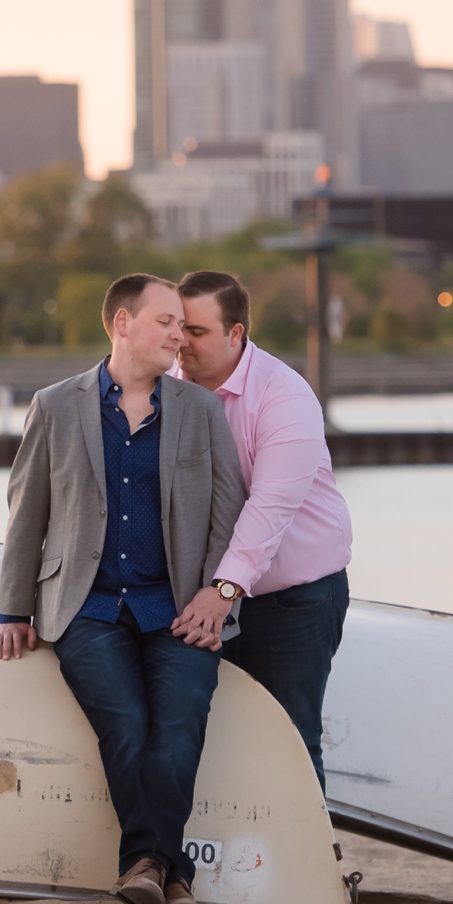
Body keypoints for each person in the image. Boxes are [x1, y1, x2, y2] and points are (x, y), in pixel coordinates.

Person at [0, 274, 247, 904]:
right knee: (125, 723)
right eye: (165, 322)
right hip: (87, 605)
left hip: (179, 606)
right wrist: (13, 610)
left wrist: (218, 597)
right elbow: (28, 512)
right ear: (122, 323)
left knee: (180, 724)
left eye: (183, 325)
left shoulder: (199, 410)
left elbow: (226, 511)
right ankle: (170, 870)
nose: (178, 336)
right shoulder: (55, 406)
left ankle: (147, 866)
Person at [168, 269, 354, 795]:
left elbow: (269, 508)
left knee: (290, 739)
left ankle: (310, 872)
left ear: (236, 334)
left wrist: (223, 591)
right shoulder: (168, 391)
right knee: (205, 740)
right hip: (200, 600)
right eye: (178, 328)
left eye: (197, 332)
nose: (182, 343)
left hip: (295, 600)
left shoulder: (284, 395)